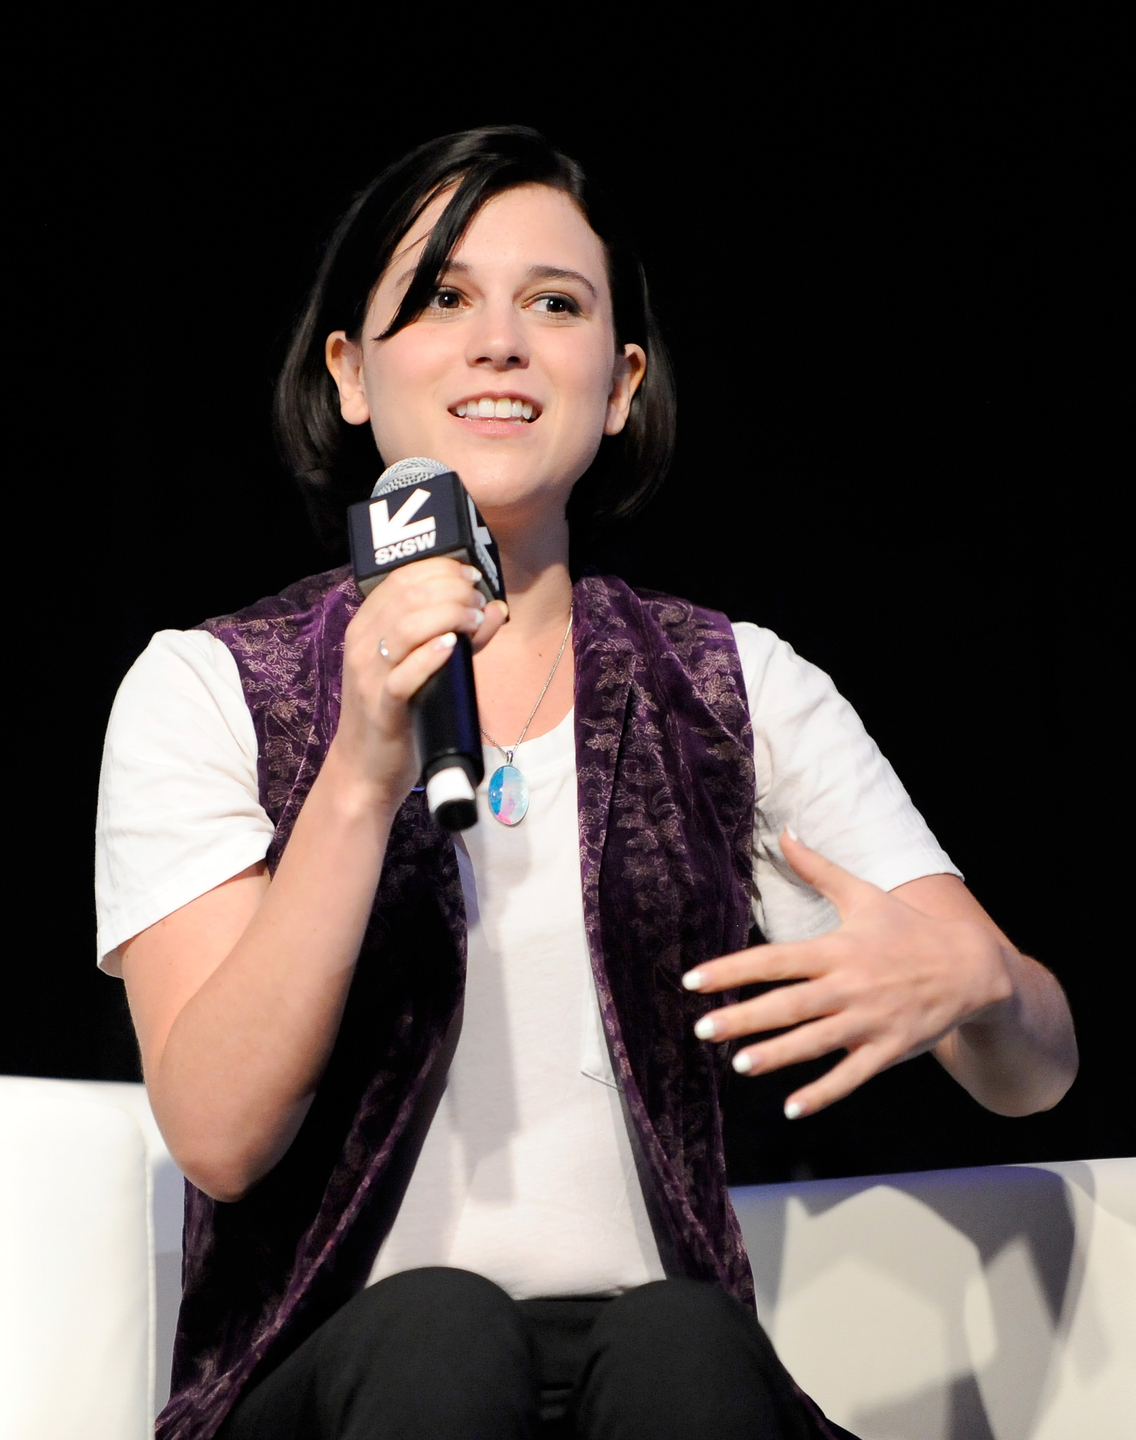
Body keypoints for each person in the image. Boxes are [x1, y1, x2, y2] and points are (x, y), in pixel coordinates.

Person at [95, 127, 1078, 1440]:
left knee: (687, 1342)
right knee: (440, 1336)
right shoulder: (210, 686)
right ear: (349, 371)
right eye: (443, 298)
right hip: (340, 1379)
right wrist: (357, 774)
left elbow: (1037, 1065)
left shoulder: (734, 686)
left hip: (654, 1382)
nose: (499, 341)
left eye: (552, 303)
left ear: (618, 386)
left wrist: (981, 985)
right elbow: (216, 1130)